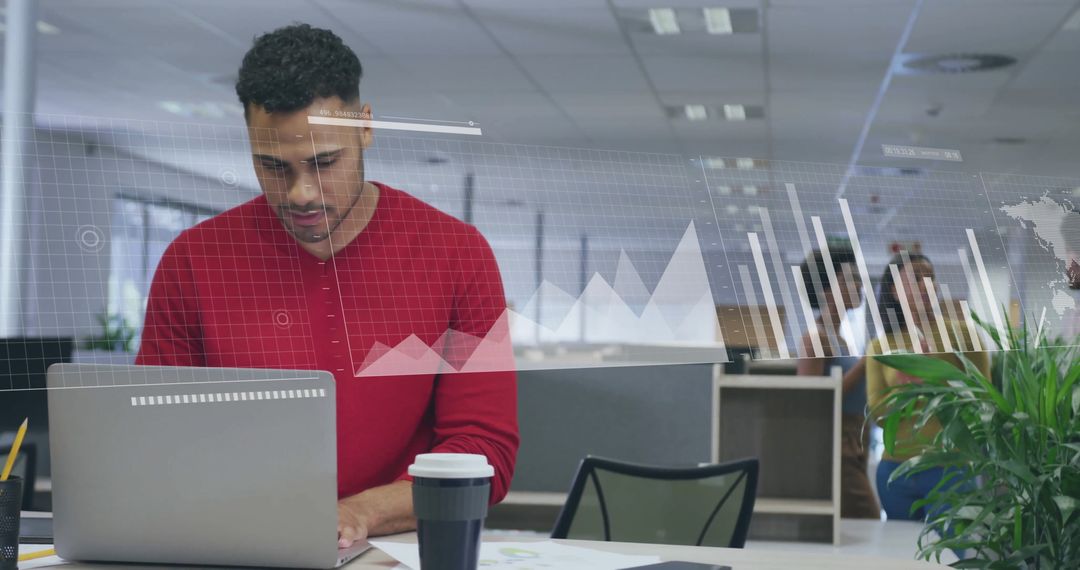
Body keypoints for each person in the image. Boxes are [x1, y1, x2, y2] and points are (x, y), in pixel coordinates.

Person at [135, 24, 519, 547]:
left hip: (395, 549)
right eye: (272, 167)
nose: (301, 193)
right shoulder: (193, 261)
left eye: (324, 163)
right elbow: (155, 435)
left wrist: (358, 513)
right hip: (238, 541)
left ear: (365, 127)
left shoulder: (458, 255)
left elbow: (484, 452)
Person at [865, 252, 989, 520]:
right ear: (894, 291)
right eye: (915, 279)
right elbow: (879, 415)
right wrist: (910, 383)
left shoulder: (964, 335)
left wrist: (936, 375)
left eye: (930, 278)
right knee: (899, 558)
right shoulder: (879, 346)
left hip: (950, 466)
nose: (926, 285)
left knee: (948, 559)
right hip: (895, 471)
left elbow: (985, 402)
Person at [795, 247, 880, 519]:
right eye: (850, 279)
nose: (859, 285)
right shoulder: (816, 338)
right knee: (867, 517)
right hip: (835, 446)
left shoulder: (839, 339)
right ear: (825, 290)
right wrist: (865, 363)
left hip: (855, 441)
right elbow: (811, 402)